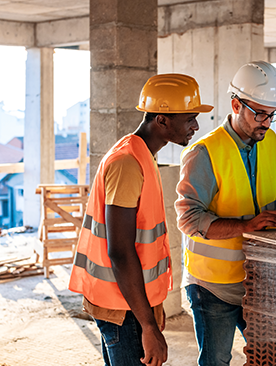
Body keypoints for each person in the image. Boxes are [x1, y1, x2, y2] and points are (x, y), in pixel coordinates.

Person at [69, 73, 212, 366]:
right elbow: (120, 250)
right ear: (162, 120)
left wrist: (151, 308)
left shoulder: (142, 156)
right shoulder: (127, 163)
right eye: (190, 118)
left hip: (131, 301)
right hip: (122, 307)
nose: (196, 126)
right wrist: (147, 325)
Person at [175, 61, 276, 366]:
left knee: (269, 357)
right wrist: (246, 226)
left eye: (272, 114)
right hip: (213, 286)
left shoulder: (268, 140)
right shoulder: (204, 153)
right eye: (260, 113)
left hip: (259, 278)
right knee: (217, 362)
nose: (267, 123)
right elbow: (189, 219)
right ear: (235, 104)